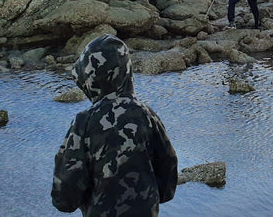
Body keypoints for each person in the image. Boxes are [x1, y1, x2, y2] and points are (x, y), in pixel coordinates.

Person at [52, 34, 178, 217]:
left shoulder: (84, 122)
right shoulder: (146, 115)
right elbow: (168, 169)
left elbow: (65, 194)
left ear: (89, 77)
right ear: (127, 72)